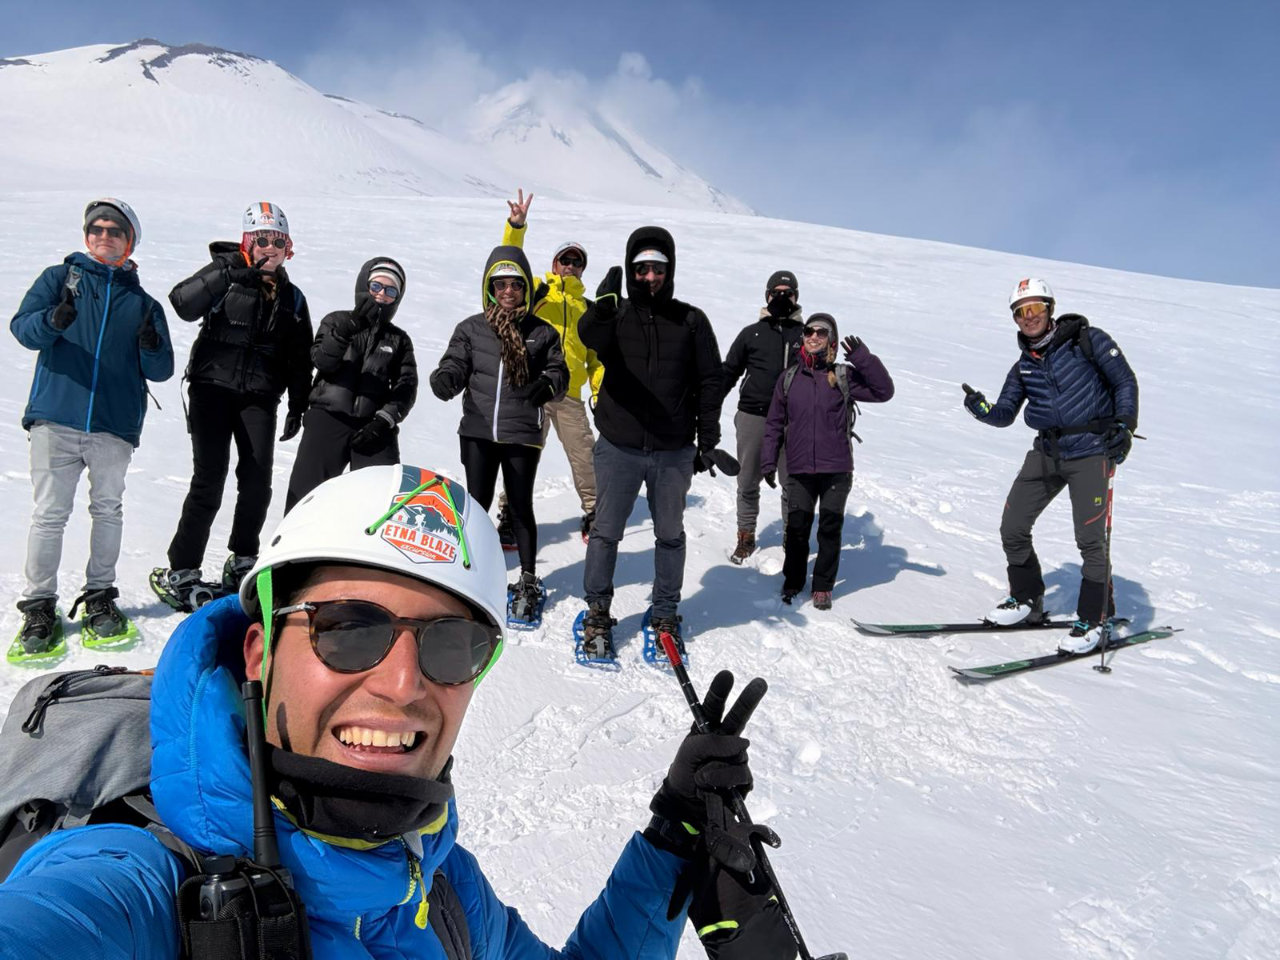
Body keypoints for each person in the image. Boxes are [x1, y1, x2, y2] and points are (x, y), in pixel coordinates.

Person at [0, 463, 794, 960]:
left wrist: (670, 839)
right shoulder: (133, 890)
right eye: (350, 629)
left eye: (451, 644)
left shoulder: (440, 888)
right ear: (258, 653)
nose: (405, 682)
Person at [8, 198, 174, 661]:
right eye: (97, 229)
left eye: (115, 230)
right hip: (55, 416)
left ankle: (100, 596)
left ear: (129, 241)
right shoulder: (59, 280)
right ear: (86, 236)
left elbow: (160, 370)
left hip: (113, 425)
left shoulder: (142, 303)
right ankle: (39, 605)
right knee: (49, 514)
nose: (104, 235)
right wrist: (51, 320)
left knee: (107, 511)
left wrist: (152, 343)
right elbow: (23, 330)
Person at [152, 202, 313, 611]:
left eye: (278, 240)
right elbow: (182, 303)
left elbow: (299, 356)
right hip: (212, 390)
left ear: (288, 247)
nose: (269, 248)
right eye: (261, 239)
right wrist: (226, 272)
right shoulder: (225, 276)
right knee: (209, 480)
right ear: (246, 241)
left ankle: (243, 560)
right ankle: (183, 568)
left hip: (259, 397)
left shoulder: (292, 298)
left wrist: (298, 402)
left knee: (257, 480)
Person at [963, 277, 1139, 654]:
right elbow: (1006, 413)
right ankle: (1028, 600)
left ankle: (1096, 619)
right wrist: (983, 410)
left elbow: (1124, 382)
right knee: (1012, 526)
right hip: (1046, 453)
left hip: (1091, 451)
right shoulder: (1023, 366)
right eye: (1020, 312)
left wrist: (1124, 426)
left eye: (1035, 309)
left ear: (1050, 309)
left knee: (1090, 541)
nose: (1029, 318)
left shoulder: (1089, 342)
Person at [577, 227, 724, 657]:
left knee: (670, 536)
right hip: (618, 446)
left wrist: (707, 438)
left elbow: (710, 380)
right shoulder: (615, 314)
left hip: (673, 450)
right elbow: (590, 338)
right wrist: (601, 311)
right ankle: (597, 614)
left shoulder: (691, 320)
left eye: (657, 269)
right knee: (605, 533)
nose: (649, 277)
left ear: (669, 270)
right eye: (640, 269)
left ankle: (664, 613)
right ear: (630, 270)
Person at [430, 246, 568, 622]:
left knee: (521, 506)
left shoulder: (541, 332)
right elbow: (456, 361)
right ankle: (466, 565)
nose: (508, 291)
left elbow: (560, 371)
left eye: (516, 284)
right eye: (500, 284)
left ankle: (527, 576)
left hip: (522, 432)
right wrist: (447, 378)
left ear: (526, 288)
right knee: (476, 503)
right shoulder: (472, 328)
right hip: (477, 431)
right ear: (489, 288)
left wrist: (547, 384)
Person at [760, 314, 894, 610]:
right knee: (796, 528)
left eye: (822, 332)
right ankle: (793, 579)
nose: (815, 336)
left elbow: (884, 391)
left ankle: (822, 586)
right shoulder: (790, 378)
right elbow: (774, 423)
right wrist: (768, 461)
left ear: (831, 340)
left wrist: (863, 358)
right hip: (799, 468)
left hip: (837, 469)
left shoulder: (842, 375)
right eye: (810, 331)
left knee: (829, 530)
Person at [495, 189, 603, 545]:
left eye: (577, 261)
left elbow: (596, 357)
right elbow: (508, 267)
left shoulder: (587, 308)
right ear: (555, 263)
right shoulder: (538, 292)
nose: (570, 266)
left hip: (569, 394)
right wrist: (516, 227)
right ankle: (510, 514)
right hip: (530, 389)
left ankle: (593, 512)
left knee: (584, 455)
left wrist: (600, 392)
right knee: (520, 456)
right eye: (565, 260)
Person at [284, 257, 417, 511]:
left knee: (379, 499)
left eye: (390, 291)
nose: (380, 296)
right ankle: (293, 544)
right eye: (376, 286)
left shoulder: (399, 340)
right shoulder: (336, 321)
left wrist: (384, 420)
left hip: (374, 425)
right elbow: (323, 361)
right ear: (363, 286)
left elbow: (406, 386)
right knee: (305, 494)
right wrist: (348, 329)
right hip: (328, 416)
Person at [721, 270, 805, 564]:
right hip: (753, 415)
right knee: (747, 479)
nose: (782, 297)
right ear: (767, 296)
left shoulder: (806, 336)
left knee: (792, 482)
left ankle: (790, 537)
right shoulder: (751, 333)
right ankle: (745, 535)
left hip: (793, 419)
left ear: (796, 297)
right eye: (776, 292)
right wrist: (708, 404)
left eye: (788, 293)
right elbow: (729, 371)